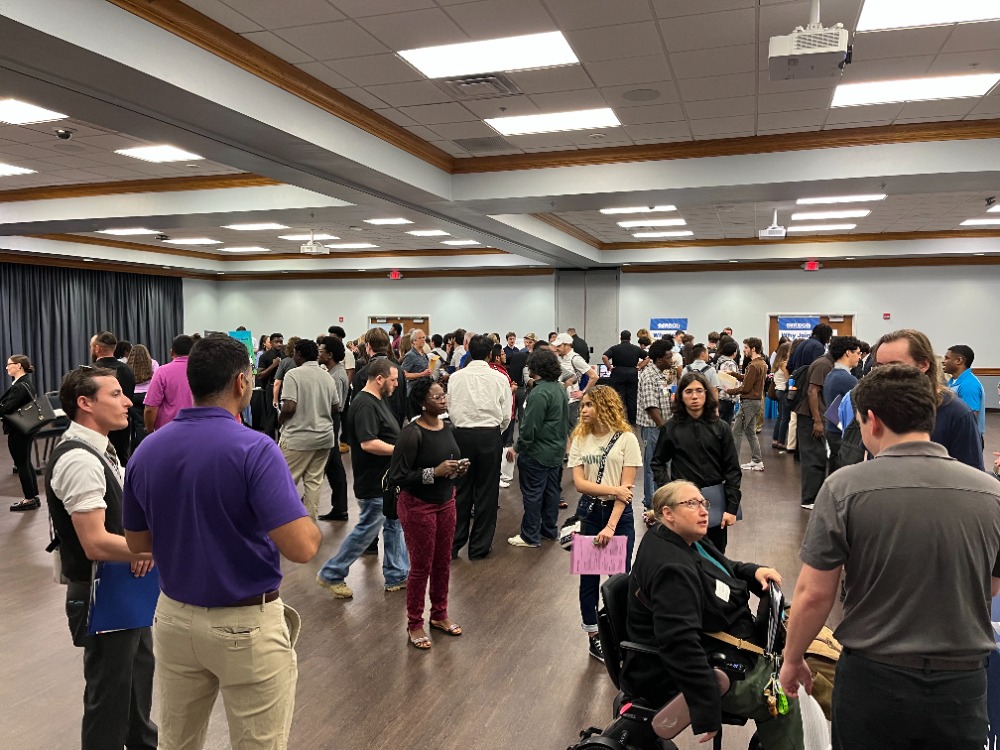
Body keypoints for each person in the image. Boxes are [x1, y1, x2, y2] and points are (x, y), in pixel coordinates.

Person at [779, 364, 1000, 750]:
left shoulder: (844, 488)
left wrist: (793, 658)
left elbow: (815, 594)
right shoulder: (990, 492)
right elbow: (991, 585)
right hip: (962, 683)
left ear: (873, 420)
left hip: (874, 679)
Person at [123, 334, 321, 750]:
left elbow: (139, 543)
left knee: (177, 741)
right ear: (241, 383)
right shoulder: (255, 449)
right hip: (245, 624)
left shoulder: (146, 450)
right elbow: (302, 548)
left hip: (174, 618)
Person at [624, 480, 801, 748]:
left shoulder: (686, 538)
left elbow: (723, 567)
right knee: (784, 697)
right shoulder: (672, 569)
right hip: (688, 669)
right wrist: (706, 709)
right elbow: (679, 645)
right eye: (691, 504)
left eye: (703, 502)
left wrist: (753, 571)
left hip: (723, 642)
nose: (704, 510)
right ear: (668, 513)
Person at [46, 365, 157, 750]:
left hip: (125, 588)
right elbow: (94, 542)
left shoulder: (102, 450)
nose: (127, 401)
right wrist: (153, 549)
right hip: (102, 594)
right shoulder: (79, 460)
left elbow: (122, 518)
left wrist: (139, 547)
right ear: (85, 403)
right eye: (115, 394)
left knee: (136, 694)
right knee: (109, 703)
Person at [317, 358, 409, 598]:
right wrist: (400, 450)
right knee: (367, 530)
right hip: (373, 482)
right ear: (379, 379)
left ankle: (397, 574)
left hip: (387, 481)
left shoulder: (378, 400)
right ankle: (332, 572)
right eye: (393, 380)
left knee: (393, 524)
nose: (396, 384)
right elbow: (368, 443)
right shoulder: (365, 404)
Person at [388, 379, 468, 650]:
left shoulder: (447, 427)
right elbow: (398, 476)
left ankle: (439, 614)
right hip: (418, 506)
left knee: (443, 562)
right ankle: (414, 623)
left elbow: (447, 463)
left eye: (444, 395)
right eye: (437, 397)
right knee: (421, 567)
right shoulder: (411, 433)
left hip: (446, 502)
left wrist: (456, 470)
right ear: (423, 403)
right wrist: (434, 472)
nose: (443, 400)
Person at [569, 386, 641, 662]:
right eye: (582, 405)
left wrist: (610, 526)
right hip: (589, 512)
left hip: (618, 517)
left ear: (605, 406)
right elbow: (579, 484)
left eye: (589, 405)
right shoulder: (580, 438)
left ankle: (618, 633)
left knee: (618, 578)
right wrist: (613, 490)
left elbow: (627, 490)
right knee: (588, 579)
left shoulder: (626, 439)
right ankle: (593, 636)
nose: (583, 410)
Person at [651, 372, 742, 553]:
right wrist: (670, 492)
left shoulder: (721, 428)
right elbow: (658, 463)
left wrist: (731, 508)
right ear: (681, 396)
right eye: (689, 391)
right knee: (682, 555)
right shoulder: (671, 428)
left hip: (714, 503)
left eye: (699, 391)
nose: (694, 396)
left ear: (706, 394)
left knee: (715, 556)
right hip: (683, 503)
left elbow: (732, 469)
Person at [873, 329, 983, 470]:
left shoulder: (956, 413)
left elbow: (972, 473)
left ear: (924, 365)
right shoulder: (876, 405)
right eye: (879, 366)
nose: (885, 373)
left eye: (895, 365)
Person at [448, 334, 512, 560]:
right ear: (490, 354)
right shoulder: (499, 378)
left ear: (469, 350)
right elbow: (506, 415)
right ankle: (479, 547)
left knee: (459, 490)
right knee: (487, 491)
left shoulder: (455, 377)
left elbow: (450, 408)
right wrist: (494, 432)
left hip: (461, 436)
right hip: (489, 435)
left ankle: (453, 544)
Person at [507, 349, 569, 548]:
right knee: (551, 494)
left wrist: (516, 447)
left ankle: (530, 536)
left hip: (537, 453)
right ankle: (549, 530)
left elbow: (529, 428)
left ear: (536, 367)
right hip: (555, 452)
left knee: (533, 495)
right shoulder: (560, 389)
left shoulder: (539, 393)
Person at [278, 338, 339, 519]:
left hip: (298, 438)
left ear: (298, 354)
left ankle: (283, 526)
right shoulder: (327, 376)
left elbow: (289, 407)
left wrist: (280, 420)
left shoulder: (293, 375)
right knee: (314, 483)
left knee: (284, 482)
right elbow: (336, 407)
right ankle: (309, 525)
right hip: (324, 438)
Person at [636, 338, 676, 510]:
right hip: (653, 428)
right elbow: (651, 406)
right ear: (659, 359)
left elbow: (662, 400)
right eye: (668, 357)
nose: (671, 360)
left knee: (661, 465)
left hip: (661, 427)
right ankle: (651, 504)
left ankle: (660, 500)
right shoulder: (649, 376)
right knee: (652, 466)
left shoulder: (660, 375)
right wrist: (664, 428)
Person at [795, 345, 835, 509]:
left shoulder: (825, 363)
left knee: (817, 456)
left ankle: (813, 496)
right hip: (810, 417)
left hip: (814, 416)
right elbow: (812, 391)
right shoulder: (824, 365)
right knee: (813, 457)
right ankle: (810, 498)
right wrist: (817, 420)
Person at [1, 354, 41, 511]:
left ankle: (29, 499)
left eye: (9, 364)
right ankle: (33, 496)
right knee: (25, 462)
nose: (7, 367)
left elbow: (7, 408)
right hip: (26, 428)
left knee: (21, 464)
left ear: (18, 366)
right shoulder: (26, 383)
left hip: (19, 430)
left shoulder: (19, 386)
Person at [318, 336, 350, 522]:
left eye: (321, 351)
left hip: (331, 421)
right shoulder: (332, 372)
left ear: (329, 355)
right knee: (334, 467)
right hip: (331, 420)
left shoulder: (336, 376)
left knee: (321, 465)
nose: (318, 354)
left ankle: (305, 502)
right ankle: (340, 508)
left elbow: (335, 406)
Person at [91, 331, 136, 462]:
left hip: (99, 426)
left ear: (97, 348)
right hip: (123, 424)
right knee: (121, 460)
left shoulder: (90, 372)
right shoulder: (128, 370)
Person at [726, 337, 767, 472]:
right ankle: (757, 461)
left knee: (736, 432)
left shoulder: (753, 365)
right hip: (755, 402)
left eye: (746, 348)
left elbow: (745, 388)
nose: (743, 350)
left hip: (749, 403)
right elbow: (748, 379)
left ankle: (733, 464)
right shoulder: (761, 363)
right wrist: (733, 374)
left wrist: (729, 391)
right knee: (750, 432)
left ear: (753, 349)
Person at [822, 336, 861, 472]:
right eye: (858, 353)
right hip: (842, 433)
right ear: (848, 353)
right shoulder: (847, 379)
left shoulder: (831, 375)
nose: (859, 357)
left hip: (832, 429)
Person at [143, 334, 194, 434]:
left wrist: (150, 430)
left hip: (168, 431)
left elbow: (151, 408)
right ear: (193, 352)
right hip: (197, 430)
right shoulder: (203, 371)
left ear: (171, 352)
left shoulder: (162, 372)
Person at [943, 344, 986, 441]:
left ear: (959, 361)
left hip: (966, 440)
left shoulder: (969, 385)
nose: (943, 361)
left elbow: (969, 418)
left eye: (947, 358)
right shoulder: (953, 382)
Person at [603, 330, 647, 424]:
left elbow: (604, 357)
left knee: (618, 397)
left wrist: (609, 367)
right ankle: (632, 421)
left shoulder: (615, 348)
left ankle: (619, 419)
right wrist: (640, 367)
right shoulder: (636, 348)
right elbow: (647, 357)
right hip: (632, 373)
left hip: (618, 373)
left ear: (620, 338)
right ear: (630, 338)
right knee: (632, 398)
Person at [255, 332, 284, 438]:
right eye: (276, 342)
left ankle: (281, 441)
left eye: (281, 342)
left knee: (283, 416)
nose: (279, 344)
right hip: (271, 387)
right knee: (271, 416)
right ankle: (269, 441)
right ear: (271, 343)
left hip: (284, 388)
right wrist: (273, 365)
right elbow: (260, 375)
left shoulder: (285, 355)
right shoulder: (264, 356)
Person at [771, 341, 792, 450]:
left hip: (778, 390)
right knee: (785, 417)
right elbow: (788, 378)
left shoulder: (776, 363)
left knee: (780, 416)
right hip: (784, 391)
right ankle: (781, 441)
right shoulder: (784, 364)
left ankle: (775, 439)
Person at [714, 340, 740, 424]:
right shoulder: (730, 364)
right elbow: (733, 381)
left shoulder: (720, 361)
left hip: (720, 394)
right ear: (734, 353)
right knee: (726, 421)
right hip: (728, 396)